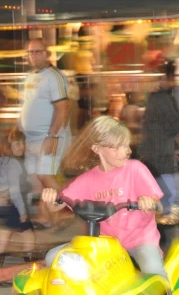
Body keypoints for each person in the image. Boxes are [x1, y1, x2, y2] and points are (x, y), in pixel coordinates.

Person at [42, 116, 166, 279]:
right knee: (53, 257)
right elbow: (57, 205)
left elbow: (159, 206)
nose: (126, 151)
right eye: (118, 147)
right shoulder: (87, 180)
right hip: (104, 243)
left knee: (154, 270)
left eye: (126, 145)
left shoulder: (135, 169)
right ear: (97, 148)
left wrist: (150, 203)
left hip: (140, 240)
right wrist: (50, 198)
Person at [18, 39, 71, 227]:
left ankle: (67, 210)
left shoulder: (54, 76)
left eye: (38, 52)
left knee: (45, 176)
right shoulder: (30, 76)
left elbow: (63, 108)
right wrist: (17, 130)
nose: (34, 56)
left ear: (47, 54)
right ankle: (47, 217)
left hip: (49, 137)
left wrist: (52, 137)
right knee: (36, 179)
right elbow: (27, 105)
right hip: (32, 138)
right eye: (31, 52)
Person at [140, 60, 179, 213]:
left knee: (166, 204)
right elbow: (177, 130)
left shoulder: (154, 98)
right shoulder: (162, 99)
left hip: (155, 161)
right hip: (161, 164)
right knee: (169, 207)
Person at [0, 131, 34, 267]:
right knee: (28, 239)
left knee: (4, 242)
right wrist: (22, 211)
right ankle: (30, 274)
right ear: (8, 145)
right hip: (11, 206)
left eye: (23, 143)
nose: (21, 147)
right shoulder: (13, 163)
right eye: (17, 143)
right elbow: (15, 190)